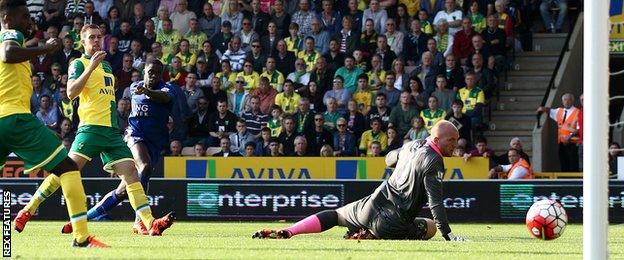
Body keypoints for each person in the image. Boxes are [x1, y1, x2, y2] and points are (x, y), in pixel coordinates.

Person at [21, 24, 175, 238]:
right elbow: (72, 92)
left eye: (99, 37)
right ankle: (28, 209)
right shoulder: (79, 63)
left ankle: (150, 224)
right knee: (65, 171)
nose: (96, 40)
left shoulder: (108, 67)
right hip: (90, 130)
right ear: (82, 42)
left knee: (132, 173)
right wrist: (91, 66)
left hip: (111, 133)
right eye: (91, 37)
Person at [253, 121, 465, 241]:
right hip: (392, 223)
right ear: (437, 140)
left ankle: (290, 231)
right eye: (451, 141)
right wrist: (449, 235)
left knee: (336, 215)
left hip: (372, 204)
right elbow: (435, 202)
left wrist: (401, 159)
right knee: (430, 227)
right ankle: (370, 235)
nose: (455, 146)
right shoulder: (434, 160)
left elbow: (389, 158)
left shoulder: (412, 145)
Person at [4, 0, 106, 248]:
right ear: (9, 17)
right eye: (25, 16)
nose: (30, 21)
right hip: (14, 118)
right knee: (68, 168)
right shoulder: (10, 33)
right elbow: (8, 53)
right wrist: (44, 49)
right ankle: (81, 237)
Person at [84, 59, 176, 234]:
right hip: (134, 135)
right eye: (150, 72)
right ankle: (141, 220)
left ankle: (85, 217)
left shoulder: (167, 89)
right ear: (144, 72)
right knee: (145, 166)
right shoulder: (135, 87)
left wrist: (148, 92)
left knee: (123, 191)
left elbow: (163, 98)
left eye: (157, 72)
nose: (153, 75)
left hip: (155, 142)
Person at [537, 93, 580, 172]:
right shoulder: (559, 111)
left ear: (572, 101)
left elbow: (579, 129)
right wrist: (543, 109)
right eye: (565, 100)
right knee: (563, 164)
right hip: (561, 143)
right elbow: (550, 111)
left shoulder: (577, 112)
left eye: (569, 100)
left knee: (573, 165)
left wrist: (570, 136)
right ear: (562, 101)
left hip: (573, 143)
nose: (567, 102)